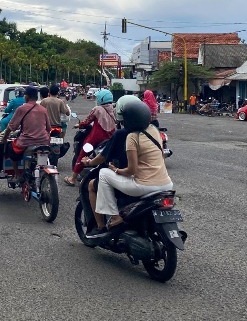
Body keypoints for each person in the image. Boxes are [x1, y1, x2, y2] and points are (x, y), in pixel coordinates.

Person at [87, 101, 173, 239]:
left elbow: (131, 170)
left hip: (143, 186)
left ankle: (114, 217)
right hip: (166, 185)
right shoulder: (154, 131)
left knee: (103, 174)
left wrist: (116, 170)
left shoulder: (131, 137)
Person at [64, 89, 116, 186]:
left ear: (101, 99)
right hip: (110, 137)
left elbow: (87, 121)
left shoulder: (97, 109)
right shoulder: (113, 109)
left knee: (82, 155)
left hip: (96, 137)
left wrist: (79, 125)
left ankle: (72, 178)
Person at [0, 86, 50, 182]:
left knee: (11, 148)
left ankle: (17, 174)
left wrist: (4, 138)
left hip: (26, 142)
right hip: (43, 142)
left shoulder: (21, 109)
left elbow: (11, 127)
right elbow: (48, 128)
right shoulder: (43, 110)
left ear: (26, 97)